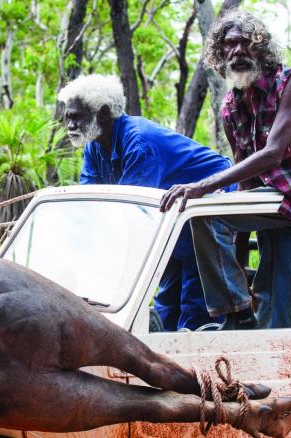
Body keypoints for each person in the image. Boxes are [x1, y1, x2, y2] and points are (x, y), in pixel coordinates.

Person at [160, 10, 291, 329]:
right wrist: (238, 268)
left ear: (262, 49)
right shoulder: (231, 105)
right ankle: (240, 313)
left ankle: (245, 321)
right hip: (267, 197)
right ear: (220, 53)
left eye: (247, 43)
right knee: (268, 297)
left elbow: (272, 154)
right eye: (230, 45)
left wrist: (202, 186)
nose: (239, 51)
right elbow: (246, 181)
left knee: (272, 292)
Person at [57, 74, 234, 331]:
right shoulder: (94, 146)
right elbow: (92, 205)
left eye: (76, 117)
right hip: (171, 223)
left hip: (206, 216)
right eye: (68, 117)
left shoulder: (138, 141)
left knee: (196, 309)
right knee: (165, 306)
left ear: (103, 114)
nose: (69, 124)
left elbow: (130, 213)